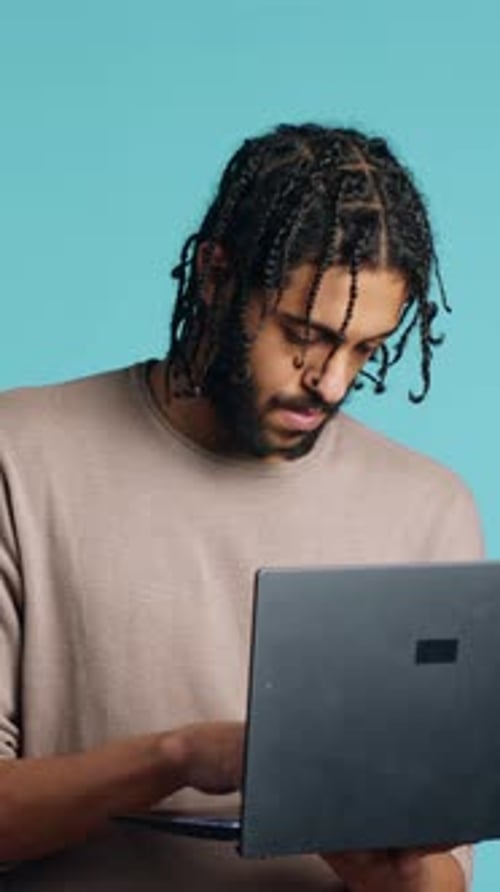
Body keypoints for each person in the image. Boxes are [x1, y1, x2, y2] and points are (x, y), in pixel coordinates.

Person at [0, 123, 483, 892]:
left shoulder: (426, 507)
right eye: (305, 334)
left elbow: (445, 879)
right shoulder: (20, 456)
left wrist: (386, 871)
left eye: (365, 348)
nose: (331, 382)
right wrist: (182, 758)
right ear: (216, 275)